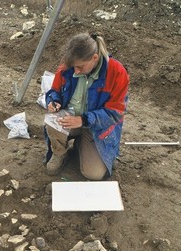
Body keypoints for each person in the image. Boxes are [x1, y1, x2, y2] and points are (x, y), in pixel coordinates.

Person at [44, 33, 129, 180]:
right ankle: (59, 154)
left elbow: (115, 114)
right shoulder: (69, 66)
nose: (75, 71)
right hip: (70, 119)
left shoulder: (117, 73)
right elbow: (54, 91)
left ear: (94, 58)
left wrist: (83, 120)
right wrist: (54, 101)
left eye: (80, 67)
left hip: (97, 128)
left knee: (94, 174)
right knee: (51, 122)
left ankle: (80, 145)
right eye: (73, 67)